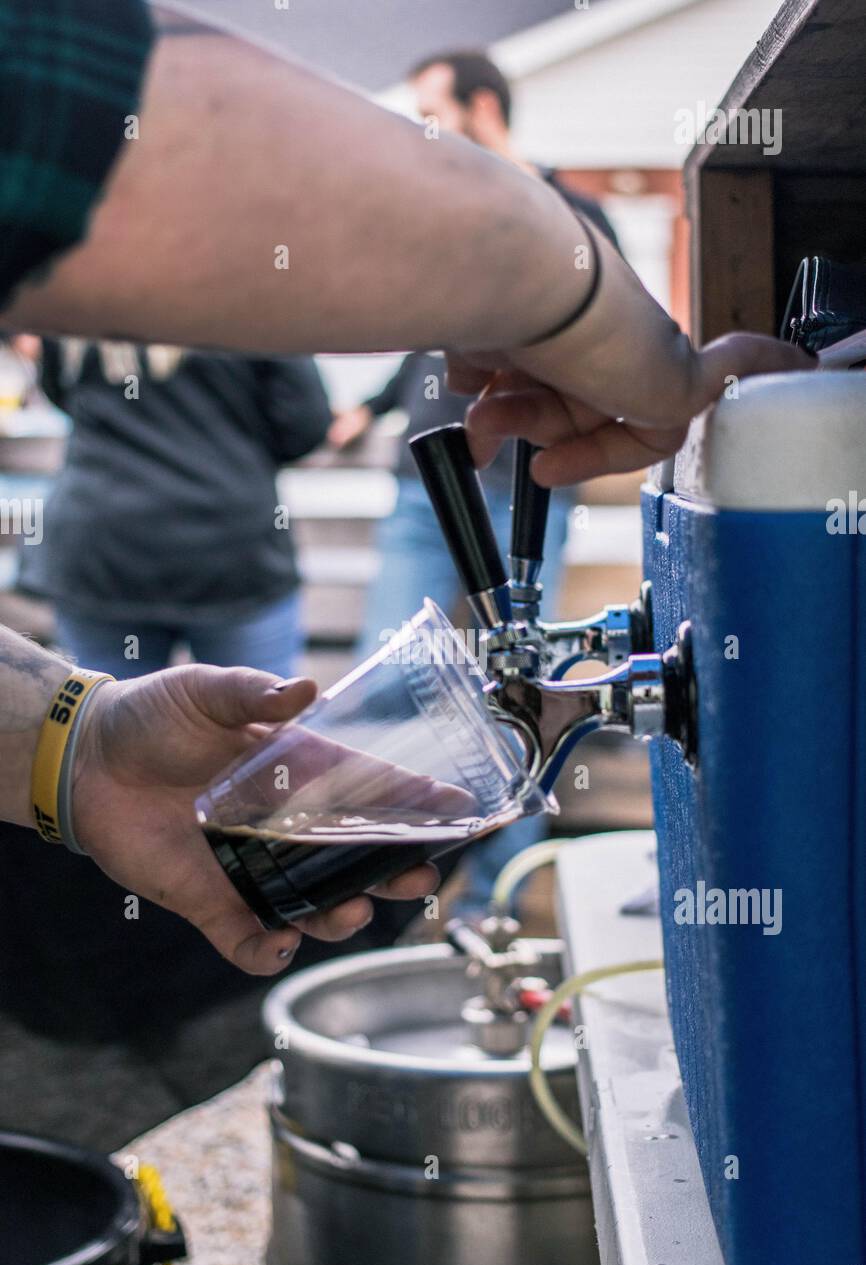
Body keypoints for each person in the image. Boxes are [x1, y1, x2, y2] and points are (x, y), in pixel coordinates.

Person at [0, 1, 815, 978]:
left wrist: (83, 747)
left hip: (128, 552)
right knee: (395, 741)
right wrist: (588, 311)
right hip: (315, 528)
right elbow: (81, 104)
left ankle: (493, 903)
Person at [330, 52, 621, 920]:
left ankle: (496, 900)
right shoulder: (438, 211)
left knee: (523, 689)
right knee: (381, 675)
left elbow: (607, 338)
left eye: (431, 110)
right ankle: (366, 887)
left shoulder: (573, 213)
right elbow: (431, 345)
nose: (420, 130)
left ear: (483, 107)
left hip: (531, 484)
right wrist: (372, 407)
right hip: (431, 483)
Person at [16, 339, 330, 679]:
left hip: (100, 549)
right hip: (229, 550)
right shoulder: (253, 303)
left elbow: (60, 392)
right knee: (258, 722)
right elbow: (304, 423)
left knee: (108, 722)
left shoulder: (80, 298)